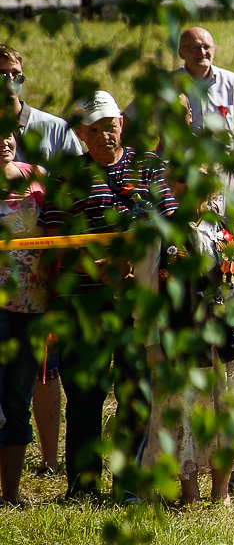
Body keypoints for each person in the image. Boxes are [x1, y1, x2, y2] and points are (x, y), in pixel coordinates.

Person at [39, 91, 179, 499]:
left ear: (123, 122)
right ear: (82, 134)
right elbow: (53, 236)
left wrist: (135, 269)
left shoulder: (149, 167)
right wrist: (100, 268)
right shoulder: (67, 176)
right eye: (94, 129)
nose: (104, 136)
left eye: (110, 125)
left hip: (140, 300)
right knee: (85, 396)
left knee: (136, 395)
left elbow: (170, 224)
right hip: (85, 302)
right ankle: (83, 486)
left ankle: (129, 487)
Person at [139, 183, 234, 505]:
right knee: (183, 413)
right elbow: (145, 295)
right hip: (181, 338)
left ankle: (221, 494)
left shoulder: (232, 231)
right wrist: (150, 342)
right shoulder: (160, 232)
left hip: (226, 340)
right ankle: (190, 496)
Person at [0, 45, 83, 478]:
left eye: (13, 73)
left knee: (42, 376)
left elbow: (74, 191)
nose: (6, 81)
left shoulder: (52, 130)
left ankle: (48, 463)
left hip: (39, 287)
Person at [0, 132, 47, 506]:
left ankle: (11, 495)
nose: (4, 141)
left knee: (18, 400)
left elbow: (59, 229)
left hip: (32, 309)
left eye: (9, 133)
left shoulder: (37, 178)